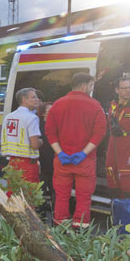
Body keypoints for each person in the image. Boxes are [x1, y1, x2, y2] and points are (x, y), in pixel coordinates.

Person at [45, 73, 107, 227]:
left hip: (62, 160)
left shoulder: (57, 104)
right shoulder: (95, 105)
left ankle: (60, 227)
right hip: (85, 160)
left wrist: (60, 153)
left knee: (61, 196)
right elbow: (99, 133)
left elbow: (50, 132)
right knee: (84, 197)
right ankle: (80, 229)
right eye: (91, 85)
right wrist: (83, 153)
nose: (91, 89)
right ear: (84, 86)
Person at [0, 88, 42, 188]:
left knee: (13, 191)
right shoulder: (32, 118)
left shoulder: (8, 117)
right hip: (28, 163)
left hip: (12, 162)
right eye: (33, 97)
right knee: (29, 193)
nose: (37, 99)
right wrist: (41, 141)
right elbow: (35, 144)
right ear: (24, 100)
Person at [37, 102, 55, 207]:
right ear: (43, 113)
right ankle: (41, 213)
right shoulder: (38, 126)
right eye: (50, 111)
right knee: (41, 191)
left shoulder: (56, 125)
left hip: (54, 163)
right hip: (42, 163)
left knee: (55, 191)